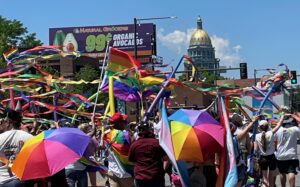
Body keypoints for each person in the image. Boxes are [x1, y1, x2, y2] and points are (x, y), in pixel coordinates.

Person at [128, 121, 167, 187]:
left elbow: (131, 161)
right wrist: (163, 171)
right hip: (156, 177)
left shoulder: (134, 145)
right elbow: (166, 159)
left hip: (140, 177)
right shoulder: (157, 143)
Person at [0, 109, 33, 186]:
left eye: (1, 122)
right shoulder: (30, 138)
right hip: (22, 181)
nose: (1, 125)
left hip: (2, 181)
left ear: (8, 122)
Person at [254, 114, 284, 187]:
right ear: (268, 127)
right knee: (271, 176)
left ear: (260, 128)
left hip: (262, 158)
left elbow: (256, 149)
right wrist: (282, 115)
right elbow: (279, 124)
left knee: (264, 177)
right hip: (271, 157)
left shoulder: (257, 136)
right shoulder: (271, 133)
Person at [230, 115, 260, 187]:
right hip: (241, 156)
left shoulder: (228, 134)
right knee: (242, 176)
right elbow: (249, 146)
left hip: (231, 158)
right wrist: (250, 154)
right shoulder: (242, 133)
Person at [106, 113, 134, 187]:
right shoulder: (125, 135)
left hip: (112, 170)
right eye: (125, 121)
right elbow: (131, 150)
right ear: (121, 124)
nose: (126, 123)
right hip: (125, 171)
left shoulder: (107, 134)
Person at [274, 112, 300, 187]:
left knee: (282, 173)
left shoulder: (277, 129)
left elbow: (274, 141)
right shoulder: (295, 129)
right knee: (291, 172)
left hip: (280, 155)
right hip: (292, 155)